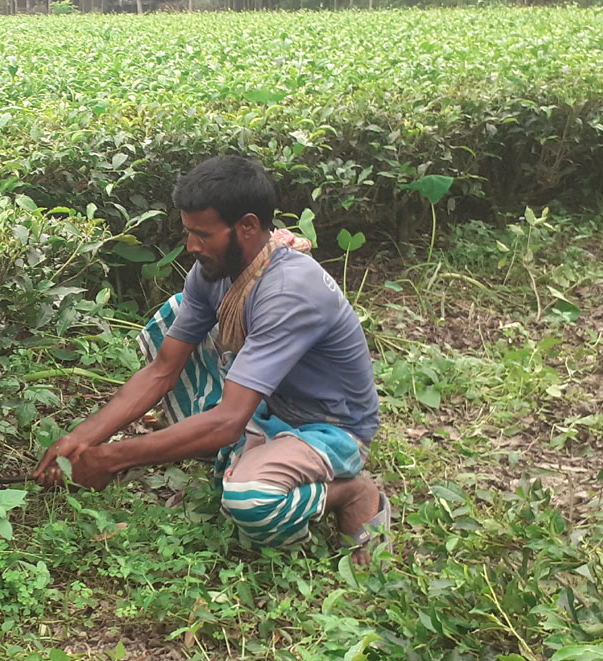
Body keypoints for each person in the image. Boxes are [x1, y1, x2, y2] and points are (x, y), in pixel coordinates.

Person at [33, 155, 389, 564]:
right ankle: (240, 450)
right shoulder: (213, 273)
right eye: (188, 232)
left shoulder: (289, 291)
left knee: (249, 502)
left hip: (327, 427)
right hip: (266, 408)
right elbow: (162, 369)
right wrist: (81, 439)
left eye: (203, 234)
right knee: (169, 319)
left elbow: (227, 420)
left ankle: (353, 490)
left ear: (249, 226)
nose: (191, 246)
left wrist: (112, 458)